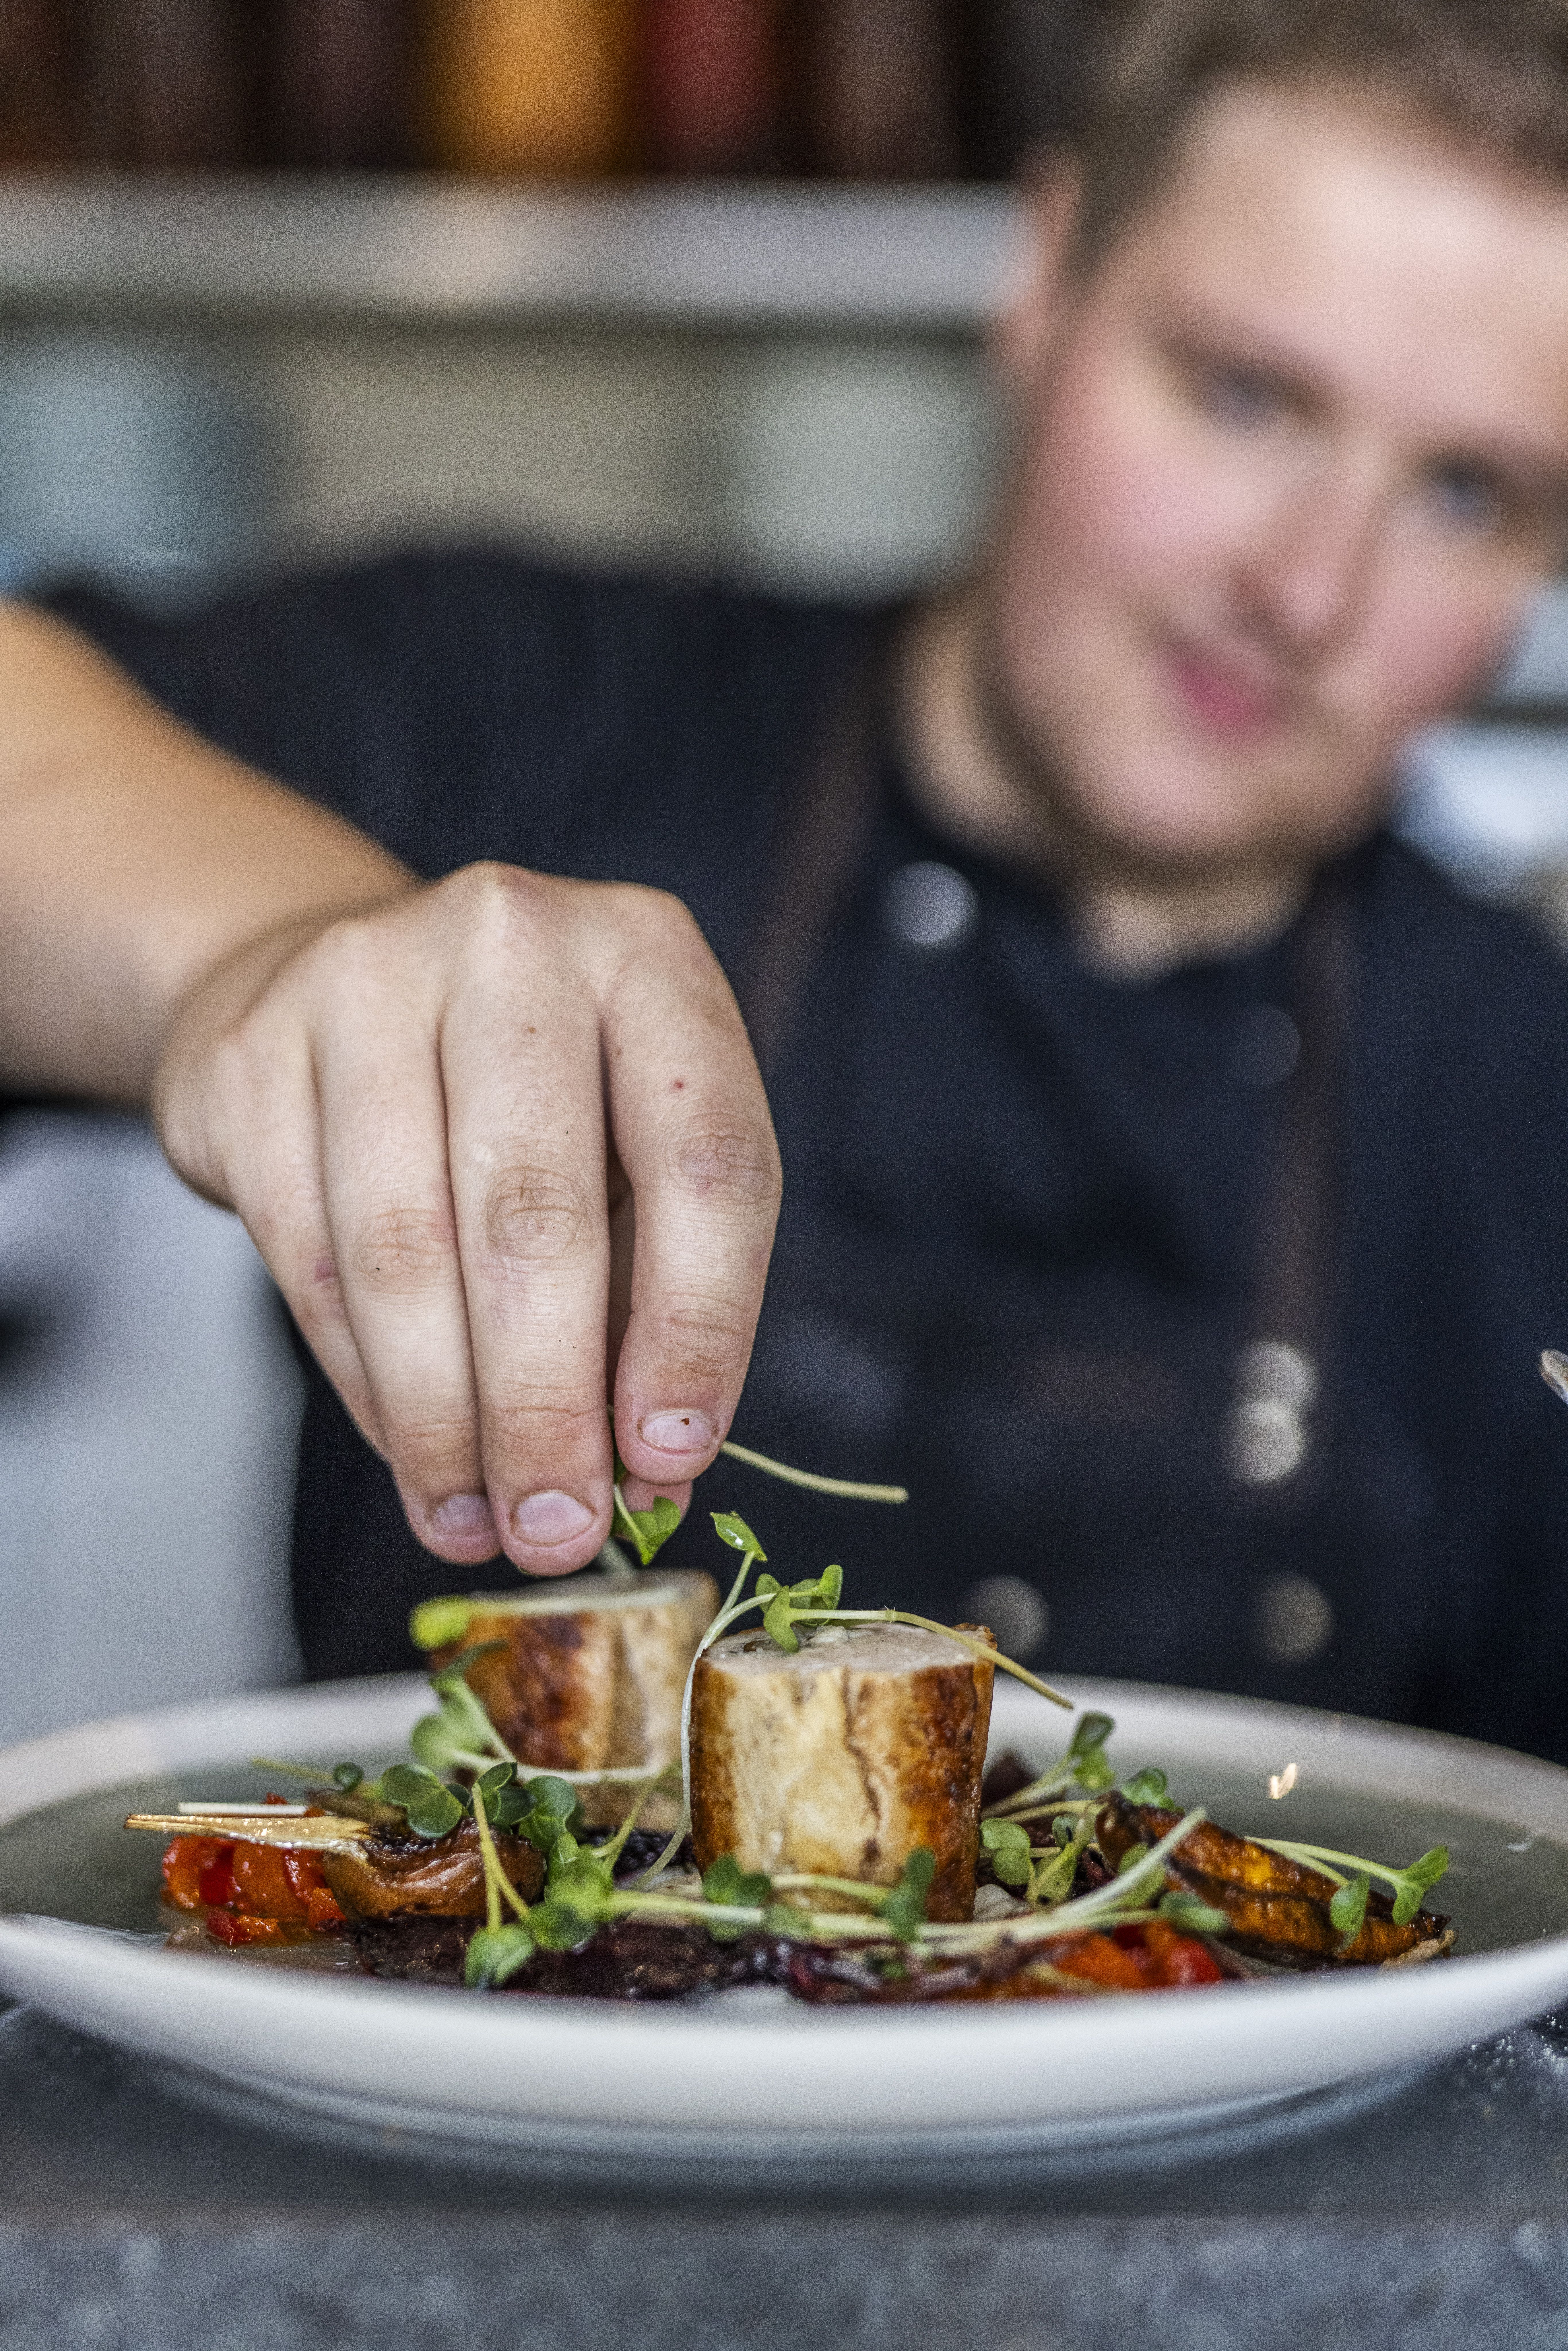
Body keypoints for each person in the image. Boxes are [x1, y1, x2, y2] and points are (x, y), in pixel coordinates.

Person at [4, 0, 1568, 1752]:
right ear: (1043, 283)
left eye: (1460, 492)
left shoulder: (1523, 1101)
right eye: (1241, 394)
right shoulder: (545, 711)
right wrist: (265, 944)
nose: (1306, 587)